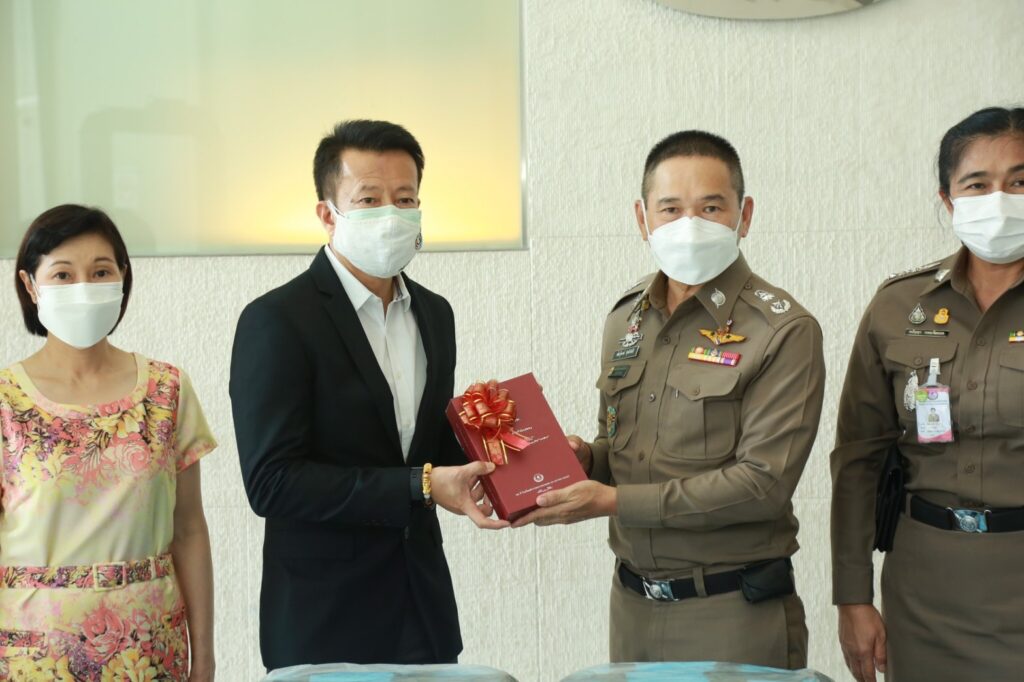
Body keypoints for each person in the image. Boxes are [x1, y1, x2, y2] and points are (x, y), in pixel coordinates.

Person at [515, 131, 825, 668]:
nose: (690, 224)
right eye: (671, 209)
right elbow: (619, 449)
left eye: (711, 208)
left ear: (744, 215)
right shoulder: (627, 318)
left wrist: (612, 502)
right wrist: (583, 460)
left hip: (732, 611)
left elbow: (762, 487)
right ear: (643, 219)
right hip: (632, 607)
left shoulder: (782, 329)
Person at [229, 119, 505, 671]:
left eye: (405, 199)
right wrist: (420, 485)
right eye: (369, 199)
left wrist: (515, 450)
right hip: (324, 619)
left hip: (423, 610)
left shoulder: (435, 313)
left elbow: (424, 450)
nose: (391, 214)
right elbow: (272, 482)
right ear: (328, 213)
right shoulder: (277, 320)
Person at [832, 106, 1024, 682]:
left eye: (1019, 181)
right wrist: (852, 596)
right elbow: (858, 459)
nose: (1000, 199)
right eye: (978, 184)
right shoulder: (899, 305)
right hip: (924, 589)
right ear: (948, 199)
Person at [0, 205, 216, 681]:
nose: (83, 287)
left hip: (149, 652)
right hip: (31, 657)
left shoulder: (167, 391)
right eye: (63, 274)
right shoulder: (5, 401)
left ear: (123, 278)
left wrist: (204, 657)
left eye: (100, 271)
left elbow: (188, 530)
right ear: (30, 285)